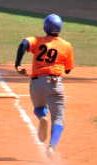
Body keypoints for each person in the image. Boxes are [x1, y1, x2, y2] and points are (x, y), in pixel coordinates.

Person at [14, 14, 74, 152]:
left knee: (39, 108)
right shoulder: (66, 45)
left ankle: (42, 117)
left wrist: (18, 64)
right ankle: (52, 147)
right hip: (55, 83)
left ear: (45, 27)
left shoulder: (37, 40)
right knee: (58, 118)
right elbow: (69, 70)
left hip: (37, 83)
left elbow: (24, 43)